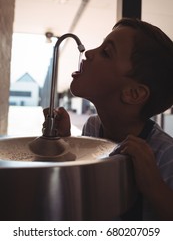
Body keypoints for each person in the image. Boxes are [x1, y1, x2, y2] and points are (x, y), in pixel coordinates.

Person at [44, 18, 173, 220]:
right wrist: (64, 143)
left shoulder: (165, 153)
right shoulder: (93, 127)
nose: (88, 53)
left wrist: (154, 186)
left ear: (133, 93)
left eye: (106, 52)